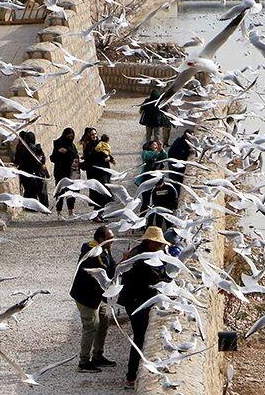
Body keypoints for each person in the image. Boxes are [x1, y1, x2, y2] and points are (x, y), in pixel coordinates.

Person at [117, 226, 172, 390]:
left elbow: (160, 274)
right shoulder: (140, 259)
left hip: (138, 300)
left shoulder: (146, 253)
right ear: (149, 242)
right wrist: (169, 286)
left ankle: (136, 372)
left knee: (141, 337)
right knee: (140, 338)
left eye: (160, 244)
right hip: (136, 302)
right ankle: (131, 376)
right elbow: (153, 279)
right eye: (157, 244)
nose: (160, 247)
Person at [69, 225, 118, 373]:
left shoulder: (105, 248)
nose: (113, 240)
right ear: (101, 239)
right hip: (86, 296)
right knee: (91, 326)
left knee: (104, 321)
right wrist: (123, 262)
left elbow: (111, 266)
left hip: (97, 296)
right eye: (110, 238)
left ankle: (98, 356)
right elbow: (108, 271)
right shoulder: (92, 253)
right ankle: (83, 362)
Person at [12, 131, 48, 208]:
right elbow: (43, 160)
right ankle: (44, 206)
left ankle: (31, 207)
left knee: (29, 191)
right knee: (41, 190)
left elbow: (17, 161)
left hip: (26, 172)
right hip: (38, 172)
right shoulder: (37, 148)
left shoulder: (21, 148)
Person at [80, 127, 112, 213]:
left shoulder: (100, 143)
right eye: (92, 134)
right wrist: (104, 159)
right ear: (88, 136)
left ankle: (99, 214)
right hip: (95, 174)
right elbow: (91, 160)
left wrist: (109, 158)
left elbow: (106, 152)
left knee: (104, 194)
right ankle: (96, 214)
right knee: (99, 195)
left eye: (95, 134)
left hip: (103, 172)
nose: (94, 136)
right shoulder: (89, 146)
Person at [50, 128, 79, 216]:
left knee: (71, 191)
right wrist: (59, 152)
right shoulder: (58, 144)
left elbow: (75, 155)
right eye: (68, 136)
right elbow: (52, 158)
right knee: (60, 191)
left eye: (72, 136)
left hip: (71, 172)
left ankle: (71, 211)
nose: (70, 138)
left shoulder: (72, 145)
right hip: (60, 171)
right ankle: (59, 212)